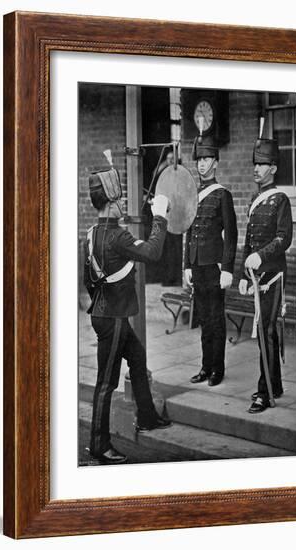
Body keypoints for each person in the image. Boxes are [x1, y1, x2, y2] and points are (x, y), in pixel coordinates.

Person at [84, 167, 172, 465]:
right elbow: (152, 253)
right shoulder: (118, 236)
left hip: (104, 313)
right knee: (106, 383)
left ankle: (146, 416)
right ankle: (99, 445)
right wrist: (160, 216)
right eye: (119, 199)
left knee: (137, 357)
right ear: (110, 202)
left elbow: (88, 280)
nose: (123, 204)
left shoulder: (92, 234)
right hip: (114, 319)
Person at [238, 138, 293, 413]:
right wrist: (244, 275)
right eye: (255, 164)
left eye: (261, 165)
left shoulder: (280, 200)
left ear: (273, 168)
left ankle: (265, 392)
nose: (256, 169)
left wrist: (262, 255)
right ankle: (276, 385)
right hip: (257, 278)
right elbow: (248, 240)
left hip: (273, 277)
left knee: (266, 332)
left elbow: (284, 239)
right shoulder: (254, 201)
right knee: (265, 334)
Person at [184, 135, 238, 387]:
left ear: (215, 162)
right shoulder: (194, 194)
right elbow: (188, 230)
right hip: (197, 266)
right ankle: (205, 367)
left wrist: (227, 268)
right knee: (204, 319)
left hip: (214, 267)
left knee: (216, 319)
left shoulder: (222, 195)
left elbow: (231, 235)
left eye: (206, 159)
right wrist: (186, 264)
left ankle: (218, 368)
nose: (202, 164)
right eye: (199, 160)